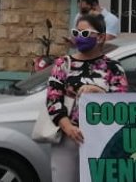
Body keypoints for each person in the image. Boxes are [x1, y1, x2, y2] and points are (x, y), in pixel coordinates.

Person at [45, 13, 129, 180]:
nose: (79, 37)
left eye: (85, 33)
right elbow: (53, 100)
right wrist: (68, 127)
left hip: (101, 139)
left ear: (100, 37)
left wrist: (99, 93)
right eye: (76, 33)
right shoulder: (63, 64)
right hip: (68, 138)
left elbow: (122, 103)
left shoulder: (113, 68)